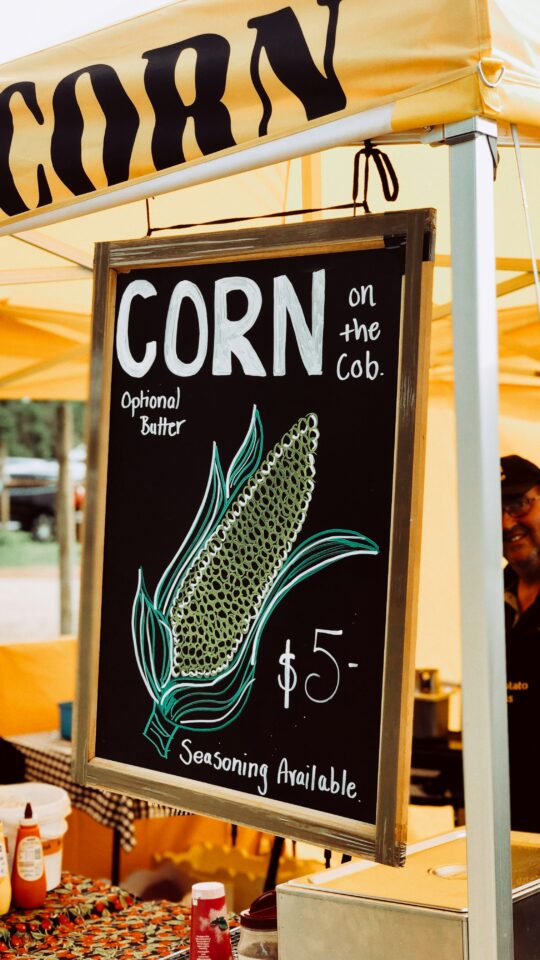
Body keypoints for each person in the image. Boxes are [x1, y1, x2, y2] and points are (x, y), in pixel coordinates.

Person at [501, 454, 540, 832]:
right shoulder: (491, 594)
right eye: (495, 509)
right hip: (507, 821)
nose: (506, 521)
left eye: (518, 503)